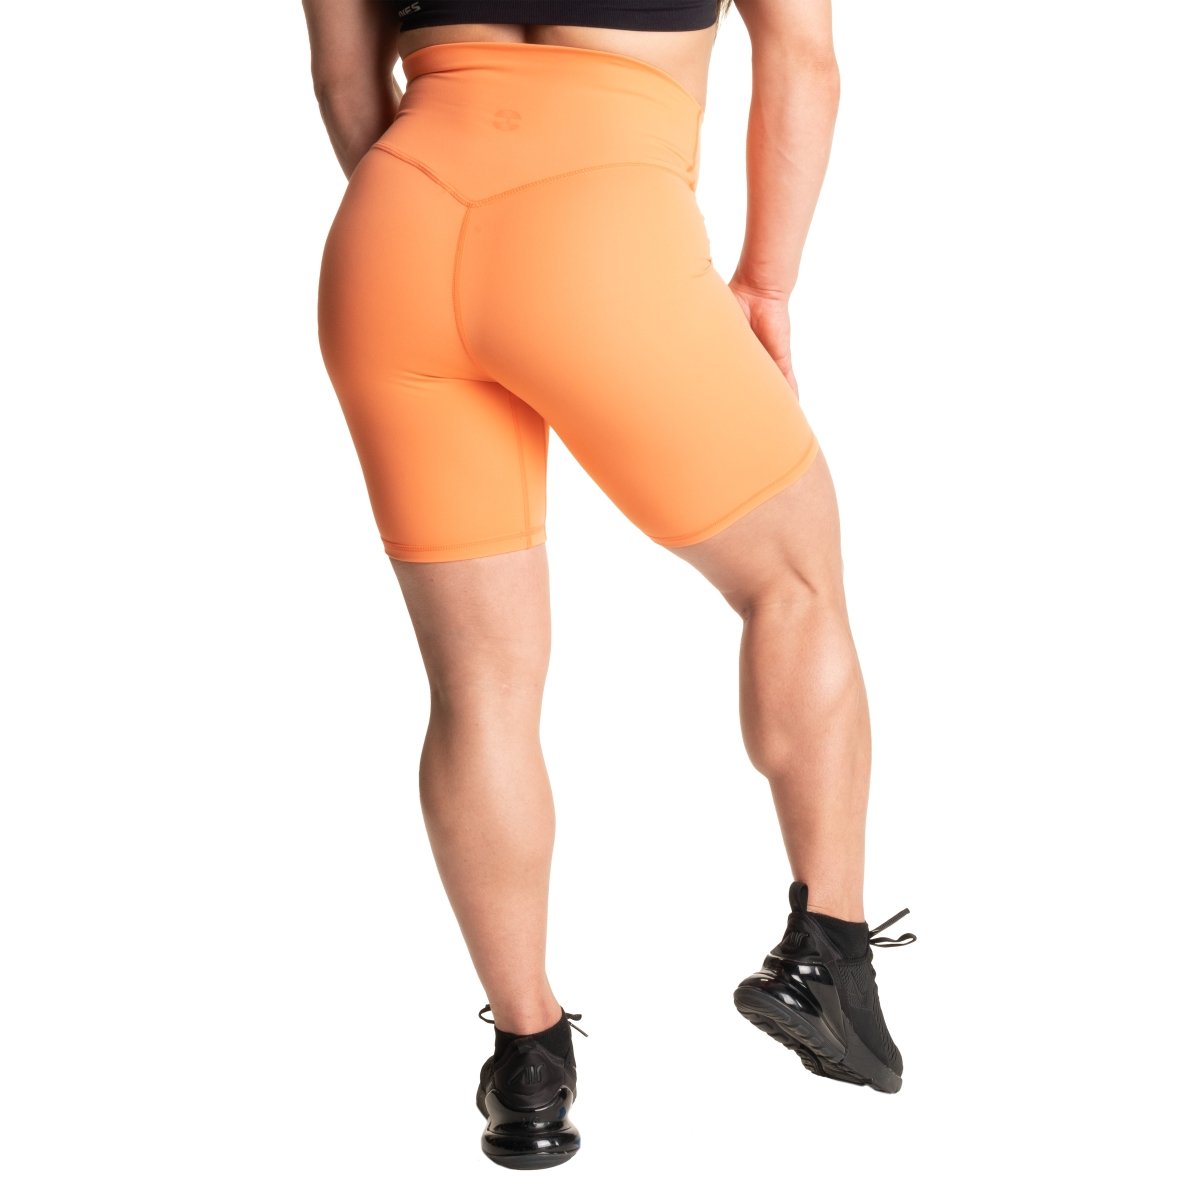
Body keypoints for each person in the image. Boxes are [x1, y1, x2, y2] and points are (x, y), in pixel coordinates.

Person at [302, 0, 914, 1170]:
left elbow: (343, 83)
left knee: (480, 686)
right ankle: (827, 953)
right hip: (598, 217)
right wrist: (764, 283)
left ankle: (528, 1061)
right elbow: (803, 57)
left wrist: (446, 224)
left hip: (396, 224)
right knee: (792, 579)